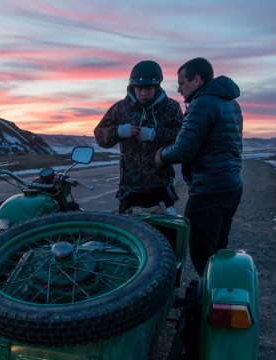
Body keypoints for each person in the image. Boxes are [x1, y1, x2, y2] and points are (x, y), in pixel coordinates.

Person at [155, 57, 243, 276]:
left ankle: (213, 297)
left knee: (201, 247)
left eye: (182, 83)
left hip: (209, 187)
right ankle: (224, 290)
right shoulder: (230, 102)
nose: (179, 89)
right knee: (218, 245)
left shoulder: (202, 103)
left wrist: (161, 155)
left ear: (196, 80)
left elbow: (185, 149)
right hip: (231, 184)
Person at [94, 60, 183, 214]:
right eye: (139, 88)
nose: (143, 93)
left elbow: (183, 139)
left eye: (148, 88)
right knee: (126, 235)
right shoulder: (120, 108)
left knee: (165, 235)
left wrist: (154, 135)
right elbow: (100, 136)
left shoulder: (171, 108)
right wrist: (120, 131)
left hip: (161, 186)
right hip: (130, 188)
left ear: (157, 86)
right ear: (132, 87)